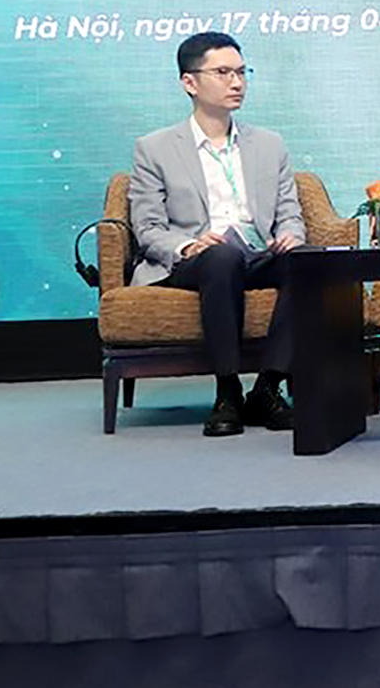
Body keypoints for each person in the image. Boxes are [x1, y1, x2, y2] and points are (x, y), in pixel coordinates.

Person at [129, 32, 302, 436]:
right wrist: (189, 244)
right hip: (196, 260)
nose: (236, 83)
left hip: (258, 254)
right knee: (222, 256)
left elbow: (290, 213)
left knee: (308, 263)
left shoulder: (269, 144)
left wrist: (291, 235)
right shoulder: (154, 148)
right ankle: (227, 392)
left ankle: (268, 388)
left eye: (242, 72)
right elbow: (148, 229)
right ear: (189, 82)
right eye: (223, 73)